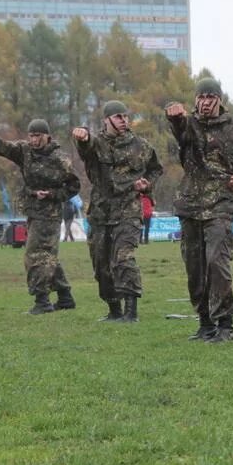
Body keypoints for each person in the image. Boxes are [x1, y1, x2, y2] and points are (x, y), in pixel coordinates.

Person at [165, 78, 233, 343]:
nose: (205, 102)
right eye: (201, 97)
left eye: (210, 97)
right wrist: (175, 117)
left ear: (219, 100)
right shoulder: (190, 126)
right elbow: (181, 134)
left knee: (217, 261)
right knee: (195, 268)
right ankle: (205, 323)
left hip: (220, 204)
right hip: (190, 205)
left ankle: (225, 325)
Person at [0, 119, 82, 314]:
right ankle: (65, 297)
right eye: (31, 136)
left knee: (35, 256)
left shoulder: (60, 160)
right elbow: (2, 146)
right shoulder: (24, 151)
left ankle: (42, 301)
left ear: (47, 136)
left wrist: (52, 195)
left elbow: (73, 187)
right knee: (47, 256)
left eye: (38, 136)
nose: (34, 140)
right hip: (32, 210)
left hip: (50, 214)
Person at [74, 101, 163, 323]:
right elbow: (86, 147)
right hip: (101, 212)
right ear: (106, 120)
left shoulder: (141, 146)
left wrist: (147, 184)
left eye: (125, 116)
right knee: (101, 265)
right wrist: (82, 137)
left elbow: (155, 169)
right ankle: (114, 310)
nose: (123, 121)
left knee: (123, 259)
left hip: (128, 210)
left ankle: (131, 312)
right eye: (118, 117)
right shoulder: (97, 144)